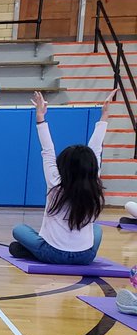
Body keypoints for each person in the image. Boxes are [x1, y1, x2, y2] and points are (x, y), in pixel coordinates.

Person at [9, 91, 108, 265]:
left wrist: (40, 117)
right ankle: (31, 251)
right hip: (85, 257)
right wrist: (104, 117)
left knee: (19, 229)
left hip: (52, 253)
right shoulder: (93, 185)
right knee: (97, 230)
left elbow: (47, 150)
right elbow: (96, 150)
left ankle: (31, 251)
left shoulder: (55, 183)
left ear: (64, 165)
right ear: (92, 167)